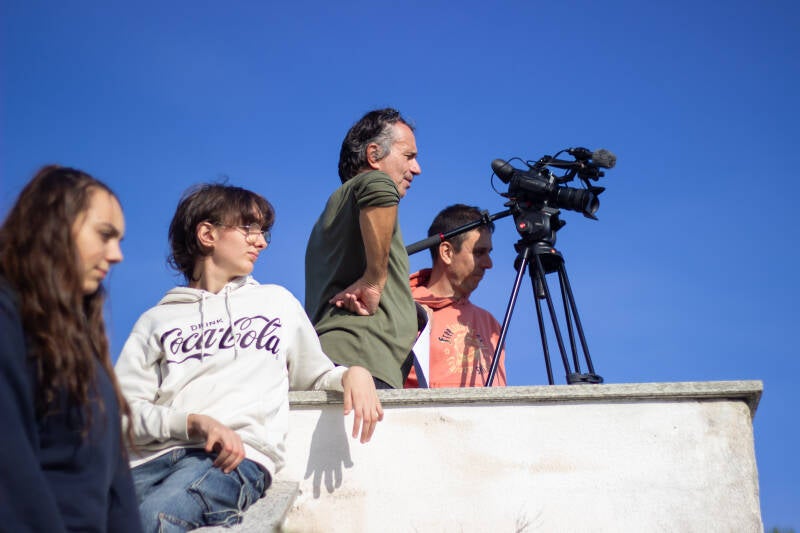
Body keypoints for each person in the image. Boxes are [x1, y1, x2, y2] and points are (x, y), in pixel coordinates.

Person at [114, 183, 382, 533]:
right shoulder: (156, 320)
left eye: (263, 231)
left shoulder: (276, 303)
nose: (261, 242)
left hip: (229, 458)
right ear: (207, 234)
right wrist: (192, 422)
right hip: (144, 464)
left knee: (157, 519)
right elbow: (122, 414)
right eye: (248, 229)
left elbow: (315, 375)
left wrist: (352, 373)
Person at [0, 166, 141, 532]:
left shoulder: (85, 347)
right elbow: (10, 469)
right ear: (55, 224)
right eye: (104, 235)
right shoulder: (9, 317)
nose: (117, 255)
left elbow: (118, 489)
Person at [305, 108, 422, 389]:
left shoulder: (335, 214)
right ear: (373, 155)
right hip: (361, 363)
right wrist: (373, 280)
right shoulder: (371, 182)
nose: (417, 168)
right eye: (408, 156)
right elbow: (378, 186)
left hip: (348, 364)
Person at [405, 204, 507, 388]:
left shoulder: (491, 324)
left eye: (488, 253)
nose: (488, 264)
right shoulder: (402, 311)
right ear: (447, 252)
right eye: (479, 252)